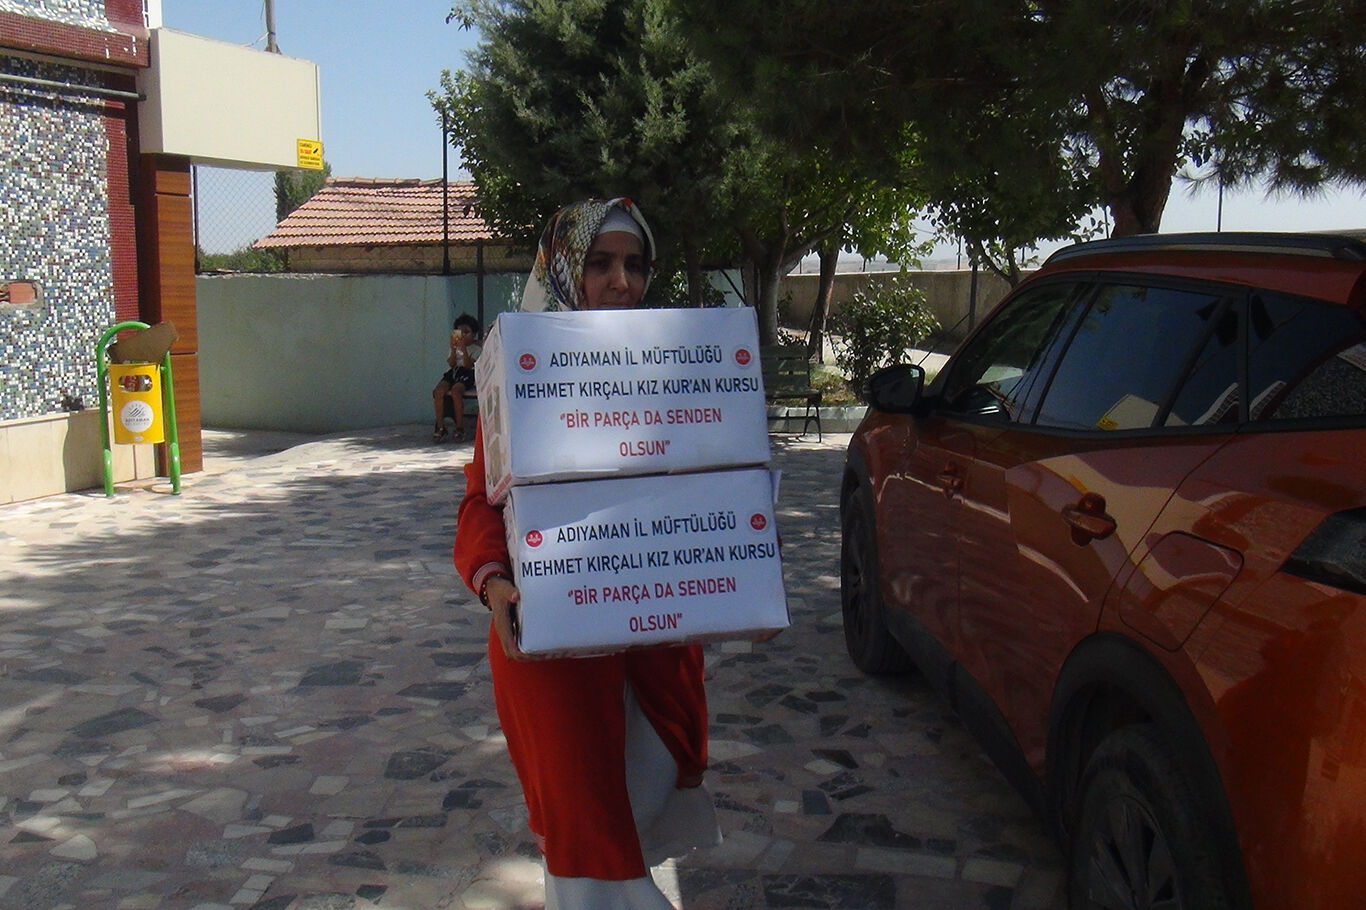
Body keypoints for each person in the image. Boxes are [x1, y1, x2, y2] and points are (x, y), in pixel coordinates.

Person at [453, 198, 721, 909]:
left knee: (637, 809)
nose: (622, 282)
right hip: (557, 657)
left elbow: (716, 482)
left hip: (657, 648)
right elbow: (481, 501)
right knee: (586, 841)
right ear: (565, 270)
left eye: (635, 265)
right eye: (600, 264)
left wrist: (739, 557)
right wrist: (494, 583)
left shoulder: (677, 372)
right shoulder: (517, 378)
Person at [432, 313, 481, 442]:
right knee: (438, 392)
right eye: (460, 332)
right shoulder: (454, 347)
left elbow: (468, 365)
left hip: (467, 374)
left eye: (467, 332)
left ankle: (459, 427)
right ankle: (440, 426)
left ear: (474, 334)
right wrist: (454, 349)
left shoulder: (476, 349)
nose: (463, 335)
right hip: (454, 372)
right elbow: (451, 363)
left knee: (456, 392)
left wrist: (463, 348)